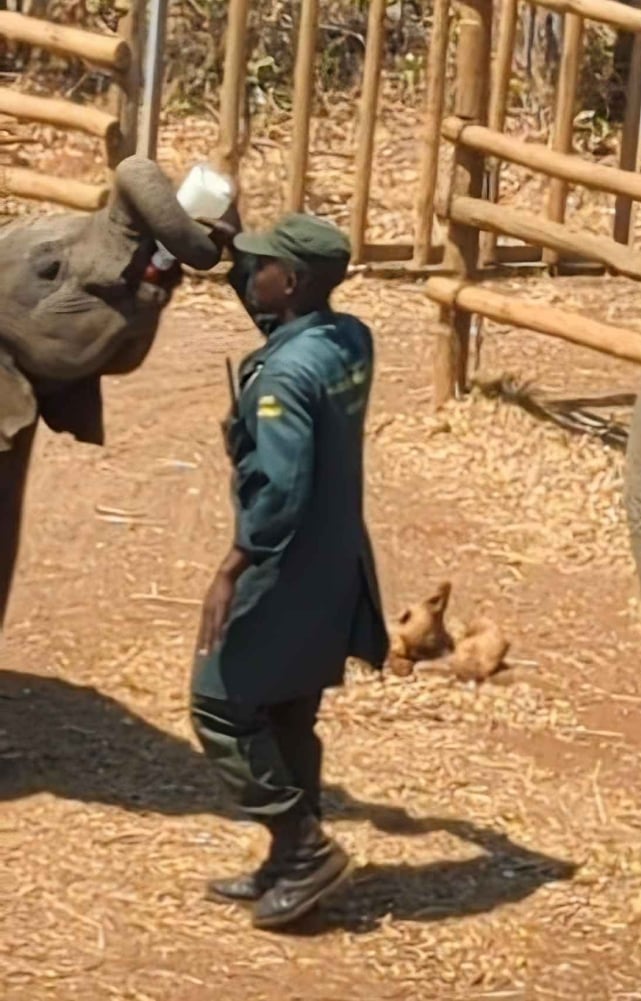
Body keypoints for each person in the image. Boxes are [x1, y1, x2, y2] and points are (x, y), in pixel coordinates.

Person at [190, 212, 388, 930]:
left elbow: (281, 488)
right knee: (288, 708)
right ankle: (287, 859)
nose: (252, 275)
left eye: (262, 265)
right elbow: (283, 319)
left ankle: (305, 850)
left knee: (220, 703)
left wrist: (232, 566)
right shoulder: (350, 338)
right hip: (336, 559)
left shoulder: (285, 376)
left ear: (294, 281)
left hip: (284, 565)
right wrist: (236, 245)